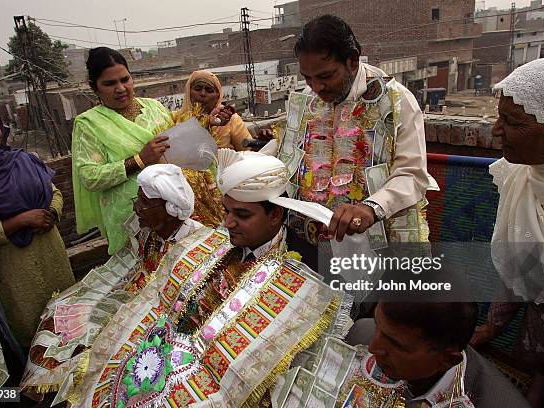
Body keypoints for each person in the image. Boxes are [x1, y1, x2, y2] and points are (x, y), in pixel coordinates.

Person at [69, 150, 349, 407]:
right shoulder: (209, 242)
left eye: (241, 214)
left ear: (275, 214)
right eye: (226, 211)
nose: (227, 222)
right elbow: (158, 305)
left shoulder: (308, 270)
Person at [20, 164, 204, 399]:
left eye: (144, 204)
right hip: (133, 291)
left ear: (170, 209)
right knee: (60, 312)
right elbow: (131, 263)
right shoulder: (149, 228)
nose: (136, 208)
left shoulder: (195, 243)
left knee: (95, 347)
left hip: (158, 312)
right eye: (136, 201)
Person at [469, 55, 544, 407]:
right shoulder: (523, 180)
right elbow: (520, 264)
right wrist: (491, 327)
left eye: (512, 122)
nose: (496, 130)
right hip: (543, 348)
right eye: (499, 117)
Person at [283, 15, 437, 244]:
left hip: (379, 244)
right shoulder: (307, 100)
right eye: (308, 78)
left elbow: (412, 175)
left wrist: (371, 208)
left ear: (352, 61)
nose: (316, 87)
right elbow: (288, 155)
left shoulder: (396, 101)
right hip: (316, 242)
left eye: (326, 76)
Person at [72, 47, 222, 255]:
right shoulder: (88, 124)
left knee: (186, 265)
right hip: (131, 217)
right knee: (146, 277)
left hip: (174, 210)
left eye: (125, 79)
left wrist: (204, 125)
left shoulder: (154, 107)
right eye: (109, 83)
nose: (121, 88)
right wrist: (139, 160)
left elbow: (180, 140)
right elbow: (89, 176)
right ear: (94, 88)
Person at [0, 102, 75, 350]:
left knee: (71, 320)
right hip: (11, 268)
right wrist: (19, 221)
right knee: (34, 335)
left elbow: (53, 192)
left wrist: (51, 213)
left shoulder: (22, 160)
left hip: (51, 252)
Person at [341, 303, 530, 407]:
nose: (373, 348)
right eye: (378, 325)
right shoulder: (361, 333)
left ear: (447, 359)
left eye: (396, 344)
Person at [174, 70, 273, 151]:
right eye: (198, 89)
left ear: (218, 96)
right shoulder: (176, 118)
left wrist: (260, 143)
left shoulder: (231, 120)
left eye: (209, 90)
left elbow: (247, 151)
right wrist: (207, 122)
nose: (203, 93)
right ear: (189, 91)